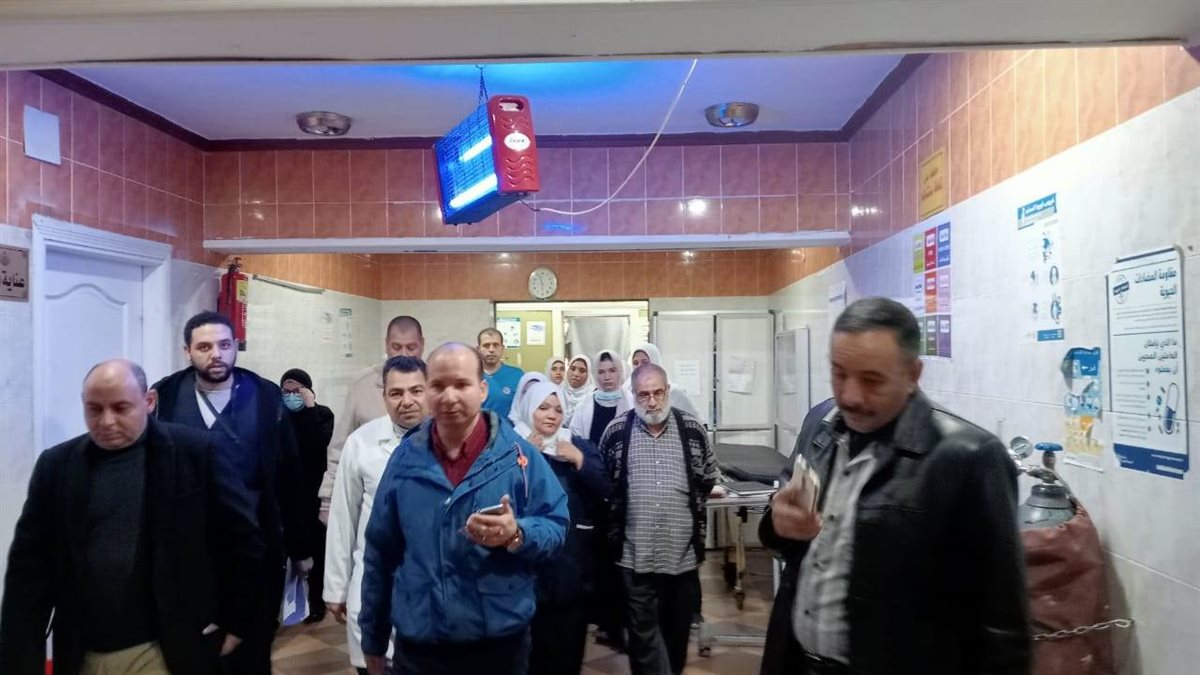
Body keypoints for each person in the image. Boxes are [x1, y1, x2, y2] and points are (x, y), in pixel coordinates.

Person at [759, 297, 1030, 675]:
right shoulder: (821, 428)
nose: (850, 396)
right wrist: (778, 523)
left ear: (913, 373)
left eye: (872, 380)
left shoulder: (966, 458)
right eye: (839, 374)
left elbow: (1002, 625)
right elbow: (786, 532)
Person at [0, 360, 264, 675]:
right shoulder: (57, 466)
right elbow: (28, 573)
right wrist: (19, 661)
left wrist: (239, 618)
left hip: (167, 647)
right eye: (94, 409)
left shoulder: (195, 453)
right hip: (82, 648)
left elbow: (243, 540)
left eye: (120, 408)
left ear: (148, 401)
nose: (106, 421)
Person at [359, 343, 568, 675]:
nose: (449, 396)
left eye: (461, 384)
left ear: (482, 390)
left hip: (497, 646)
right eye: (438, 386)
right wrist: (373, 639)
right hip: (420, 645)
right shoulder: (405, 461)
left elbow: (555, 525)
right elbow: (380, 554)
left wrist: (517, 533)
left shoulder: (517, 457)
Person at [151, 311, 312, 675]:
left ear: (235, 346)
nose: (216, 354)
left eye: (224, 345)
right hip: (187, 553)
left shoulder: (266, 396)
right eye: (204, 347)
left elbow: (290, 474)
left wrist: (301, 546)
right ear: (187, 351)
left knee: (251, 654)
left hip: (255, 547)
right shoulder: (166, 396)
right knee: (193, 657)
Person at [600, 363, 718, 675]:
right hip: (633, 556)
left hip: (681, 557)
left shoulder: (691, 429)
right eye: (643, 395)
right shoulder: (617, 432)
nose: (652, 402)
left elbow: (708, 477)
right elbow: (606, 486)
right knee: (643, 639)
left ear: (667, 391)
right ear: (633, 395)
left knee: (676, 635)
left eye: (658, 393)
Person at [324, 356, 429, 675]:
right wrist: (336, 587)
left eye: (416, 391)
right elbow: (343, 517)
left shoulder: (449, 442)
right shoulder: (361, 443)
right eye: (396, 393)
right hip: (374, 586)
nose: (407, 401)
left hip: (431, 594)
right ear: (384, 396)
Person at [515, 381, 611, 675]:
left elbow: (605, 489)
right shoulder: (512, 446)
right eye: (543, 408)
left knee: (567, 652)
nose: (551, 415)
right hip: (526, 572)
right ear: (529, 409)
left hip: (570, 568)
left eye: (558, 410)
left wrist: (578, 460)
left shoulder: (576, 445)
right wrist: (524, 458)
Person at [319, 315, 425, 524]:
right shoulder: (362, 384)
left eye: (411, 347)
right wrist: (327, 500)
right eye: (396, 347)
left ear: (422, 345)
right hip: (369, 496)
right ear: (386, 344)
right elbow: (340, 447)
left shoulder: (434, 383)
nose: (404, 354)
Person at [280, 368, 336, 623]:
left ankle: (316, 602)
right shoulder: (280, 418)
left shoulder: (322, 414)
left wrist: (310, 409)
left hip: (314, 492)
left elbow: (320, 445)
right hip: (286, 493)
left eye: (297, 390)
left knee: (317, 549)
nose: (291, 396)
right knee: (285, 550)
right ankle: (282, 605)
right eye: (286, 391)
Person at [568, 349, 633, 446]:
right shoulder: (584, 404)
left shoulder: (631, 402)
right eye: (601, 372)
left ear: (620, 371)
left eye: (612, 371)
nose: (607, 377)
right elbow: (575, 437)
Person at [626, 342, 702, 419]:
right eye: (635, 363)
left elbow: (697, 421)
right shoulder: (626, 391)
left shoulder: (674, 392)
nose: (639, 366)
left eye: (645, 362)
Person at [478, 327, 525, 419]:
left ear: (502, 348)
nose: (491, 350)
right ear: (478, 349)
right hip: (480, 428)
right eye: (486, 345)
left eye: (496, 345)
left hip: (510, 428)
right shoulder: (470, 376)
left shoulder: (517, 375)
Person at [559, 355, 594, 428]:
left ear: (588, 374)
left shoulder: (593, 396)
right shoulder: (557, 393)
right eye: (572, 369)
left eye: (582, 371)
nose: (576, 374)